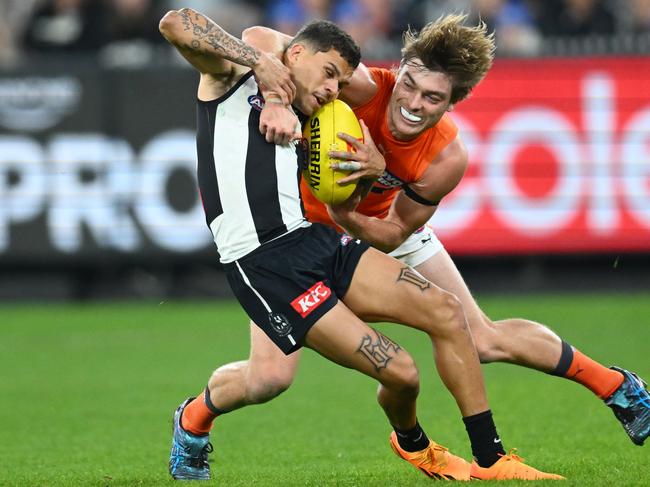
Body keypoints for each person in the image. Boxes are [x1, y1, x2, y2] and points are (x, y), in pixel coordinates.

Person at [158, 7, 562, 482]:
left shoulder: (315, 107)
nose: (333, 90)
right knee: (379, 374)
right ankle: (193, 420)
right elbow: (175, 23)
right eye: (329, 74)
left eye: (341, 80)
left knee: (447, 313)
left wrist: (367, 175)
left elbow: (345, 195)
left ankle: (490, 461)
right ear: (296, 53)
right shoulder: (229, 75)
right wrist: (263, 69)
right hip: (265, 260)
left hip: (318, 239)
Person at [242, 12, 650, 451]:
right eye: (409, 86)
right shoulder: (361, 86)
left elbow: (394, 232)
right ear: (398, 72)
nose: (413, 103)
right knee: (269, 377)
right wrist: (277, 98)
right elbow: (257, 35)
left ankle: (616, 387)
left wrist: (359, 195)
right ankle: (194, 418)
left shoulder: (446, 158)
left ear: (451, 104)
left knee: (483, 339)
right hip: (298, 236)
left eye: (433, 98)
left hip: (377, 229)